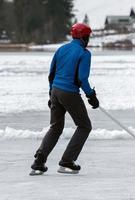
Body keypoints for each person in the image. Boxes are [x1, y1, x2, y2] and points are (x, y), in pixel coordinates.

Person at [30, 23, 99, 175]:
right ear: (83, 37)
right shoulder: (84, 53)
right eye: (88, 36)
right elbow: (82, 79)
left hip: (55, 90)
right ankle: (67, 161)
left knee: (55, 127)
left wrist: (51, 94)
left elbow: (51, 73)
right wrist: (91, 96)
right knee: (84, 126)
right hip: (69, 93)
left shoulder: (61, 49)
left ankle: (38, 162)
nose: (89, 39)